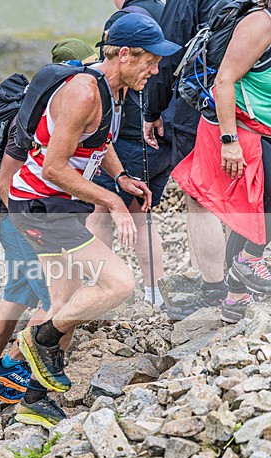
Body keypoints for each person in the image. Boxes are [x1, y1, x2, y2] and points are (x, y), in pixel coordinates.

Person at [8, 14, 179, 428]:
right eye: (151, 61)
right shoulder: (84, 92)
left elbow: (100, 141)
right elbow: (53, 167)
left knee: (66, 303)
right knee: (119, 284)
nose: (155, 70)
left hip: (56, 205)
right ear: (124, 54)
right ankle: (39, 338)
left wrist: (120, 177)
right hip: (41, 204)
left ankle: (35, 397)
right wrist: (114, 202)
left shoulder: (114, 89)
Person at [0, 39, 97, 405]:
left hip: (14, 216)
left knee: (16, 293)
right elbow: (8, 174)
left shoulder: (42, 104)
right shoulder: (42, 112)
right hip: (27, 218)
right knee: (56, 300)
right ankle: (26, 376)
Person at [172, 0, 271, 323]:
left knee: (252, 211)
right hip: (240, 130)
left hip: (260, 128)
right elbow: (224, 80)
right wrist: (229, 141)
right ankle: (247, 262)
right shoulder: (260, 23)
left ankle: (235, 297)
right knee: (254, 208)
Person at [143, 0, 226, 319]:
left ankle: (214, 288)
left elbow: (169, 55)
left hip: (199, 111)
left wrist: (153, 110)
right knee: (237, 195)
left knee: (200, 201)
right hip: (251, 108)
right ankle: (241, 282)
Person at [87, 1, 170, 308]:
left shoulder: (124, 22)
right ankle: (155, 293)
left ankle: (99, 289)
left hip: (134, 137)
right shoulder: (165, 12)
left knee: (101, 213)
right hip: (165, 134)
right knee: (142, 215)